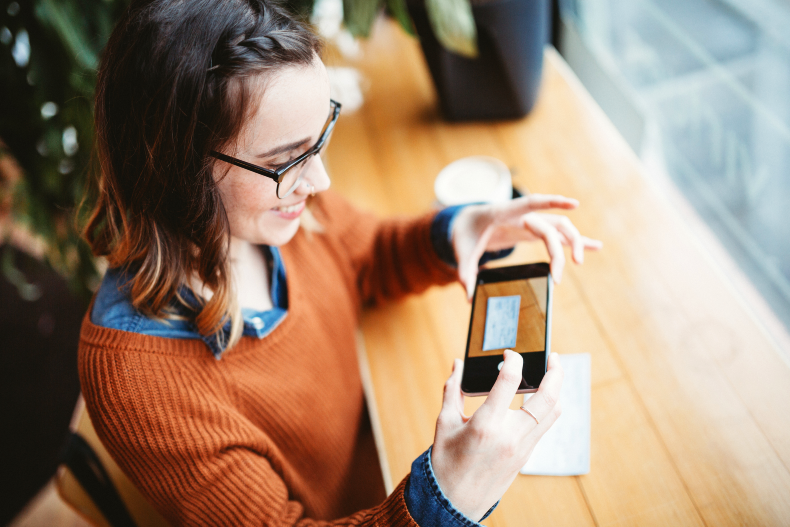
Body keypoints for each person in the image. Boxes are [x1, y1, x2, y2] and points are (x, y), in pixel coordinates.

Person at [79, 0, 603, 525]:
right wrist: (447, 499)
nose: (321, 182)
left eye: (321, 137)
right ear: (174, 167)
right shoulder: (140, 384)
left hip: (373, 440)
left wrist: (455, 232)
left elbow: (367, 255)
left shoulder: (270, 208)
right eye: (286, 160)